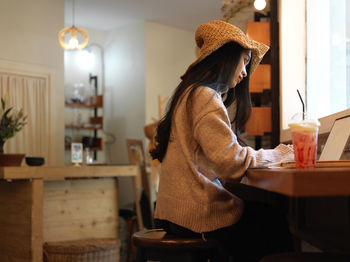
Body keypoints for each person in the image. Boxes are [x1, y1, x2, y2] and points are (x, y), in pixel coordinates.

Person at [150, 20, 294, 261]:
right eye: (245, 61)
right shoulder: (205, 96)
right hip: (194, 214)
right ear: (227, 57)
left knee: (261, 216)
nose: (245, 72)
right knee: (272, 220)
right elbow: (231, 163)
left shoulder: (189, 93)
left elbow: (224, 161)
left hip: (171, 211)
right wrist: (280, 154)